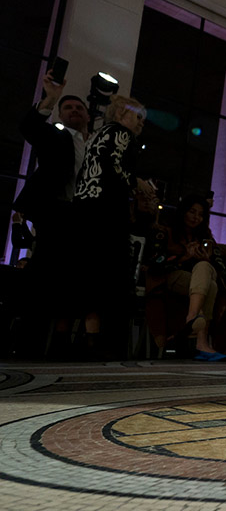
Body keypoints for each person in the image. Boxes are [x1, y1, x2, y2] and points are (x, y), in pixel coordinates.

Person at [14, 71, 90, 356]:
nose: (74, 111)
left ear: (86, 115)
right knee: (42, 277)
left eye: (78, 107)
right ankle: (28, 344)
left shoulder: (93, 145)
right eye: (68, 107)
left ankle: (62, 344)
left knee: (73, 280)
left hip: (81, 219)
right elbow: (29, 127)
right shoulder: (54, 135)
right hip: (54, 213)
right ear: (60, 114)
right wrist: (51, 97)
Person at [74, 94, 155, 357]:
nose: (141, 123)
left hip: (85, 211)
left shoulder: (99, 134)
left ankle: (89, 340)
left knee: (90, 276)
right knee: (112, 275)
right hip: (107, 213)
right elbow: (114, 166)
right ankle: (106, 346)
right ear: (121, 114)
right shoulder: (122, 134)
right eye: (137, 116)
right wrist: (137, 182)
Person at [144, 194, 226, 360]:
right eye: (192, 212)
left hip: (196, 280)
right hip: (170, 277)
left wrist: (206, 258)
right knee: (209, 285)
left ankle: (193, 317)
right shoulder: (165, 231)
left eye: (200, 214)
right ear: (183, 212)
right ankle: (201, 341)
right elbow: (154, 264)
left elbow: (222, 268)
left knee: (208, 276)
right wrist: (184, 257)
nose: (196, 217)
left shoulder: (206, 237)